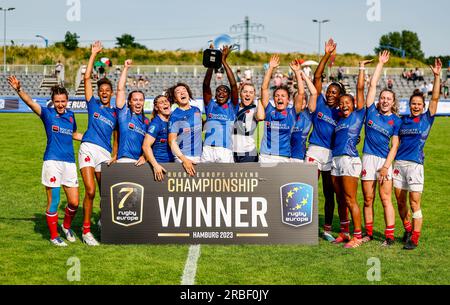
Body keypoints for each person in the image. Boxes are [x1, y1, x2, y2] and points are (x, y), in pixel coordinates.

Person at [8, 76, 83, 246]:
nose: (60, 104)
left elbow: (74, 134)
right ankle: (54, 236)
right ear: (53, 102)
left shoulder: (71, 116)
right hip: (52, 162)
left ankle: (66, 226)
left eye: (63, 101)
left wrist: (91, 138)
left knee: (74, 202)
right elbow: (30, 103)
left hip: (69, 163)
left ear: (67, 101)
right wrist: (19, 89)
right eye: (57, 101)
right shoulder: (47, 114)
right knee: (54, 200)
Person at [394, 58, 442, 250]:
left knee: (414, 202)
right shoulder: (403, 121)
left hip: (415, 165)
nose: (415, 106)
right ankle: (407, 229)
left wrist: (437, 76)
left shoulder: (426, 119)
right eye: (413, 103)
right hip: (398, 165)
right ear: (409, 105)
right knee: (400, 201)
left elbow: (436, 99)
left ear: (422, 106)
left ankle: (414, 238)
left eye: (418, 104)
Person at [360, 51, 402, 247]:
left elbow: (394, 146)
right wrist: (380, 64)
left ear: (393, 102)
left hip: (384, 162)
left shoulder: (396, 121)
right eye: (383, 98)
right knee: (368, 199)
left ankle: (389, 237)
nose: (385, 100)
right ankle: (368, 233)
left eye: (388, 98)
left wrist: (386, 166)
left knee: (386, 199)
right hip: (367, 158)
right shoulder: (371, 110)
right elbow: (373, 84)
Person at [78, 41, 118, 246]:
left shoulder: (115, 112)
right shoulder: (92, 103)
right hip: (88, 149)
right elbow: (86, 78)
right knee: (90, 190)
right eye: (101, 89)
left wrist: (115, 154)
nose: (103, 92)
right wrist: (93, 54)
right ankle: (86, 232)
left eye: (107, 90)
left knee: (105, 192)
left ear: (111, 93)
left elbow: (117, 135)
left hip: (105, 153)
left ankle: (103, 220)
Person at [305, 38, 343, 242]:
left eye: (334, 93)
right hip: (313, 151)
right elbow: (318, 75)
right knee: (308, 188)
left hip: (331, 155)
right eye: (328, 91)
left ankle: (327, 228)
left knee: (330, 193)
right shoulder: (319, 100)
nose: (329, 95)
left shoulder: (343, 112)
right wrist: (326, 54)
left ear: (340, 96)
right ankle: (303, 224)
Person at [330, 59, 369, 249]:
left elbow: (360, 89)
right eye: (342, 103)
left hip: (349, 160)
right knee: (340, 199)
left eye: (348, 102)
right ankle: (345, 232)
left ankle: (357, 236)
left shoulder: (358, 115)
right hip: (336, 160)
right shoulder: (338, 119)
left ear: (353, 105)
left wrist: (361, 68)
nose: (344, 105)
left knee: (350, 199)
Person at [259, 55, 304, 163]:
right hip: (265, 156)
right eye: (277, 96)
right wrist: (270, 68)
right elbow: (264, 88)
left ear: (288, 100)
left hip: (283, 157)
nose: (279, 98)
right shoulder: (269, 110)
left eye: (283, 96)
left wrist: (297, 72)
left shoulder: (292, 113)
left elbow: (301, 93)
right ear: (273, 99)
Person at [201, 45, 239, 163]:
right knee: (204, 180)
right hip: (207, 149)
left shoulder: (232, 107)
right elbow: (206, 86)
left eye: (225, 91)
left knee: (226, 181)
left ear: (228, 96)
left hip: (224, 150)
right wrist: (212, 64)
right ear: (215, 94)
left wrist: (223, 61)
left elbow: (233, 86)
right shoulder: (211, 105)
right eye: (218, 91)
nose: (221, 93)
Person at [114, 59, 149, 165]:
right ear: (129, 102)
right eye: (135, 100)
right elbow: (120, 89)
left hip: (139, 163)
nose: (138, 103)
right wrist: (126, 68)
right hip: (123, 160)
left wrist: (144, 156)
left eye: (141, 100)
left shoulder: (147, 121)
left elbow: (150, 144)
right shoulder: (124, 114)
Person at [168, 83, 203, 176]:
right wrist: (184, 160)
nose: (182, 93)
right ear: (175, 99)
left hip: (199, 156)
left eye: (184, 90)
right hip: (184, 158)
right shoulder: (175, 115)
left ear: (188, 93)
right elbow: (171, 141)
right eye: (178, 92)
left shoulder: (197, 110)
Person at [142, 94, 174, 181]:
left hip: (172, 163)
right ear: (156, 108)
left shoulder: (172, 121)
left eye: (166, 101)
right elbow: (146, 146)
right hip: (160, 165)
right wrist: (155, 165)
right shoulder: (156, 124)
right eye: (161, 102)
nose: (165, 103)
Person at [233, 83, 265, 162]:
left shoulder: (254, 110)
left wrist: (259, 99)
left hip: (248, 152)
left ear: (254, 95)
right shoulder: (233, 107)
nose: (248, 94)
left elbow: (261, 117)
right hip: (231, 151)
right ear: (240, 93)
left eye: (251, 93)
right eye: (245, 92)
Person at [290, 70, 316, 162]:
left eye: (304, 99)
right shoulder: (289, 113)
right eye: (298, 99)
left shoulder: (309, 114)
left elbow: (314, 93)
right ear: (293, 101)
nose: (301, 101)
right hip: (285, 155)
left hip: (300, 156)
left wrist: (304, 76)